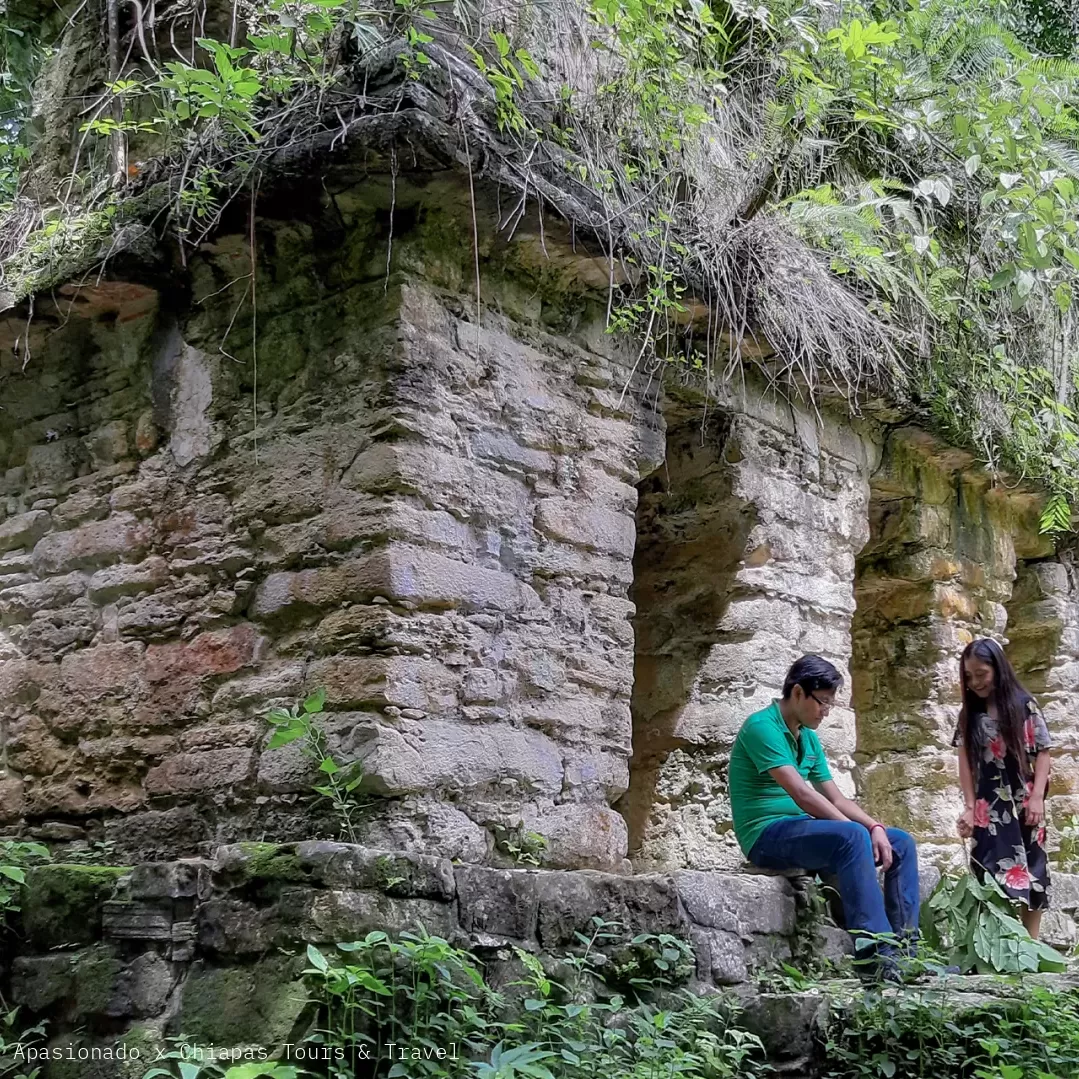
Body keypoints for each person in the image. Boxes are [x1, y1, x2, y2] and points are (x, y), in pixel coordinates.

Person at [729, 654, 921, 980]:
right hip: (766, 835)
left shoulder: (809, 739)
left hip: (801, 829)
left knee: (899, 841)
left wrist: (874, 826)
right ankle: (879, 958)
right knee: (852, 837)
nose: (826, 711)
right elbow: (802, 795)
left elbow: (835, 797)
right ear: (799, 693)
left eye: (831, 705)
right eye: (823, 703)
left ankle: (907, 955)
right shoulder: (762, 727)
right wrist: (854, 832)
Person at [953, 637, 1052, 939]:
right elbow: (966, 764)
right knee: (987, 869)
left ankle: (1031, 946)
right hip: (988, 805)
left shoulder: (1024, 705)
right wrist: (970, 808)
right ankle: (998, 944)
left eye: (981, 674)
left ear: (997, 668)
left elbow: (1044, 751)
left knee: (1032, 870)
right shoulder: (970, 714)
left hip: (1023, 802)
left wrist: (1037, 799)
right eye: (969, 676)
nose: (975, 682)